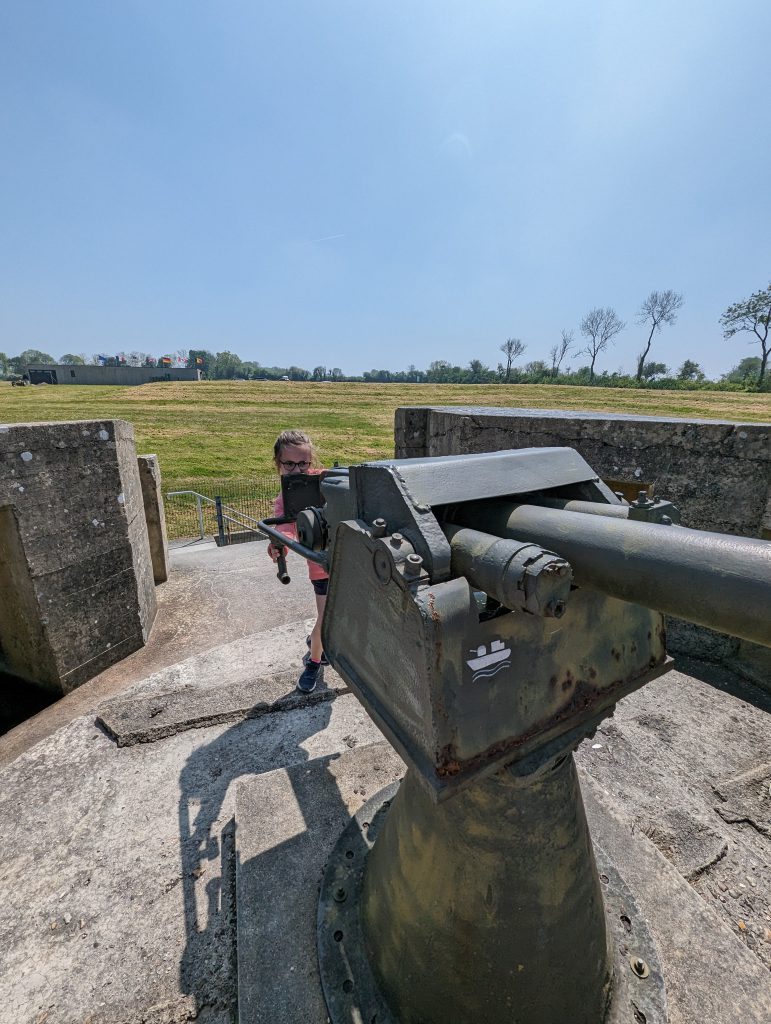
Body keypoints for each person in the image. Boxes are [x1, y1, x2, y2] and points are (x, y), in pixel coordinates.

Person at [267, 429, 329, 693]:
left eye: (303, 463)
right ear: (278, 464)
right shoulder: (287, 499)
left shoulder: (324, 481)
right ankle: (314, 662)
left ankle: (320, 645)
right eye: (289, 464)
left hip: (348, 560)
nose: (297, 470)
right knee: (326, 619)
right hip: (322, 567)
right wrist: (279, 544)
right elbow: (287, 526)